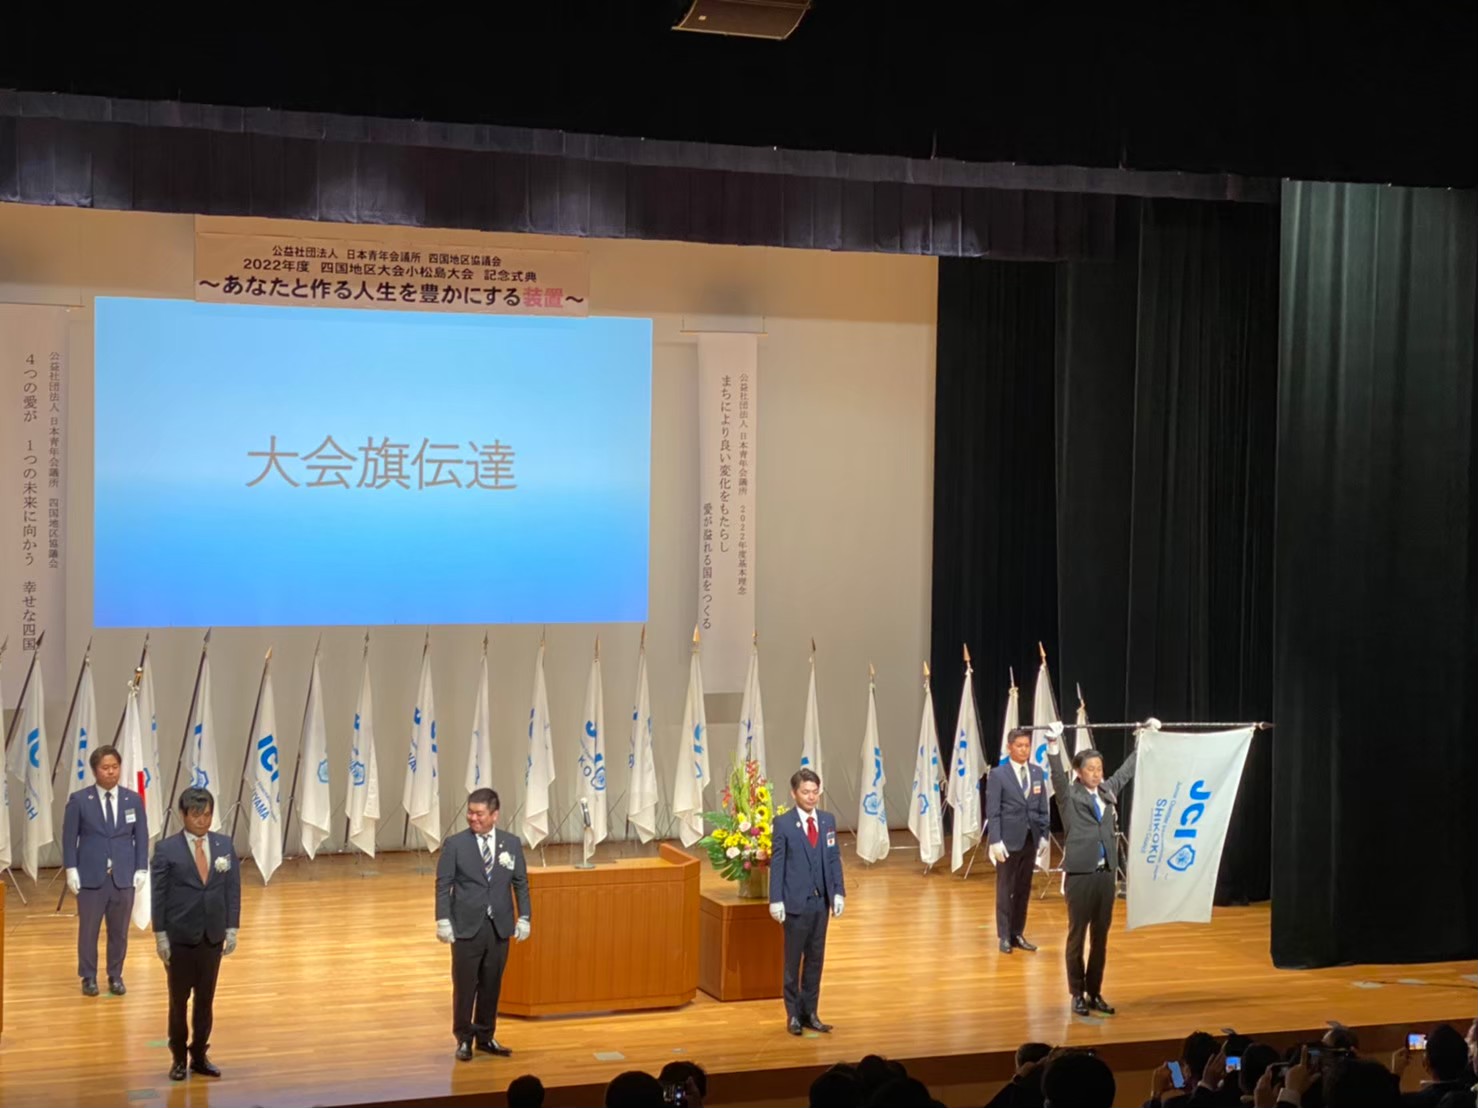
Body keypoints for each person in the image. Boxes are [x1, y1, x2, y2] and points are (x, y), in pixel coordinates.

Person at [1045, 721, 1137, 1016]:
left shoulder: (1107, 791)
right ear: (1079, 772)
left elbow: (1125, 772)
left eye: (1099, 768)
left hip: (1106, 875)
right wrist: (1052, 744)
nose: (1096, 774)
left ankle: (1094, 991)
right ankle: (1076, 993)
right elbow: (1057, 776)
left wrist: (1143, 740)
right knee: (1077, 936)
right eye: (1090, 769)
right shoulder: (1069, 796)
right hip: (1081, 875)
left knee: (1101, 937)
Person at [151, 786, 240, 1082]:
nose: (202, 820)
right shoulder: (166, 849)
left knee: (205, 1001)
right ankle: (178, 1057)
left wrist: (232, 927)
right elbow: (158, 895)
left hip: (211, 937)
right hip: (179, 939)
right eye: (196, 815)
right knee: (179, 1002)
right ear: (183, 815)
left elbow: (232, 890)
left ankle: (199, 1055)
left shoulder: (224, 845)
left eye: (207, 814)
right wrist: (160, 935)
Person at [435, 787, 530, 1061]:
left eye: (479, 813)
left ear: (494, 815)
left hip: (499, 926)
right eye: (470, 812)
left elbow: (520, 883)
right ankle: (464, 1038)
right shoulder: (455, 844)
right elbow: (443, 884)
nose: (473, 818)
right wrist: (443, 919)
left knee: (491, 984)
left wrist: (525, 917)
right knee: (465, 986)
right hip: (466, 926)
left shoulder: (511, 843)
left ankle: (486, 1036)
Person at [62, 744, 149, 997]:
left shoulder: (132, 800)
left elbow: (141, 836)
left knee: (119, 932)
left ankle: (115, 975)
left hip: (123, 876)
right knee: (89, 931)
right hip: (91, 877)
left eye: (115, 767)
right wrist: (71, 869)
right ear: (94, 771)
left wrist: (141, 868)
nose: (111, 772)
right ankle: (88, 976)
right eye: (105, 768)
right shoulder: (80, 800)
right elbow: (69, 838)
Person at [769, 767, 845, 1036]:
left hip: (820, 903)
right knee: (793, 962)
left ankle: (810, 1012)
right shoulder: (784, 823)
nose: (811, 797)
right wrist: (776, 899)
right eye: (805, 792)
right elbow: (778, 863)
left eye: (815, 792)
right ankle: (793, 1014)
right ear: (794, 793)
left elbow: (833, 858)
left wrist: (838, 891)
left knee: (815, 960)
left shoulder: (827, 821)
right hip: (794, 904)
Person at [986, 727, 1051, 954]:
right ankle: (1004, 935)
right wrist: (995, 840)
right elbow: (993, 811)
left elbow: (1042, 807)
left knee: (1023, 888)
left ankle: (1017, 932)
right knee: (1006, 888)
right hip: (1008, 840)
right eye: (1019, 746)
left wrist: (1044, 835)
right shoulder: (998, 775)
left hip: (1030, 839)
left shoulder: (1036, 772)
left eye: (1027, 746)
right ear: (1009, 747)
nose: (1024, 750)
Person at [1393, 1025, 1473, 1107]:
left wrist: (1395, 1075)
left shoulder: (1418, 1101)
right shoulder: (1471, 1091)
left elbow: (1390, 1102)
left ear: (1427, 1063)